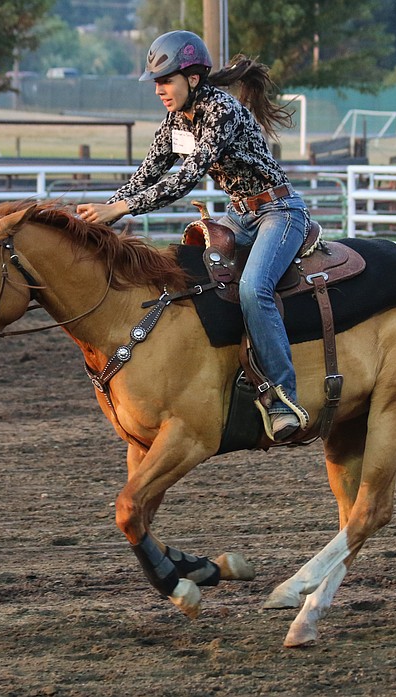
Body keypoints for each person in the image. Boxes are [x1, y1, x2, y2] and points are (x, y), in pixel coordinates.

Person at [76, 30, 310, 442]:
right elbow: (146, 175)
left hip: (279, 212)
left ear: (193, 79)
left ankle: (282, 397)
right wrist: (104, 216)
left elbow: (186, 178)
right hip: (239, 214)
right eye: (156, 83)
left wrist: (121, 209)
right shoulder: (174, 122)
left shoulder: (222, 111)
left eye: (166, 81)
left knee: (255, 289)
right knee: (189, 277)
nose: (160, 91)